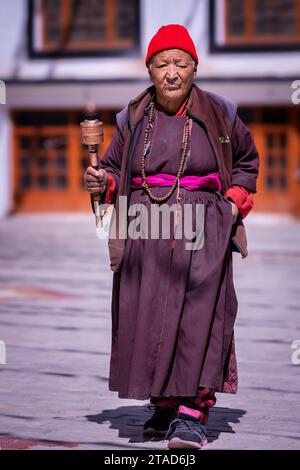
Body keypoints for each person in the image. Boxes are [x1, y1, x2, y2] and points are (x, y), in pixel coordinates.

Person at [83, 24, 259, 449]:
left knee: (200, 315)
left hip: (204, 223)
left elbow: (246, 164)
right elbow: (110, 170)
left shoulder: (222, 113)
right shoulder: (131, 118)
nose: (172, 72)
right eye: (162, 63)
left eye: (181, 63)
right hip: (145, 224)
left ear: (195, 68)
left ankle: (193, 411)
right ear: (150, 69)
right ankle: (163, 404)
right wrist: (99, 181)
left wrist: (231, 206)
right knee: (149, 314)